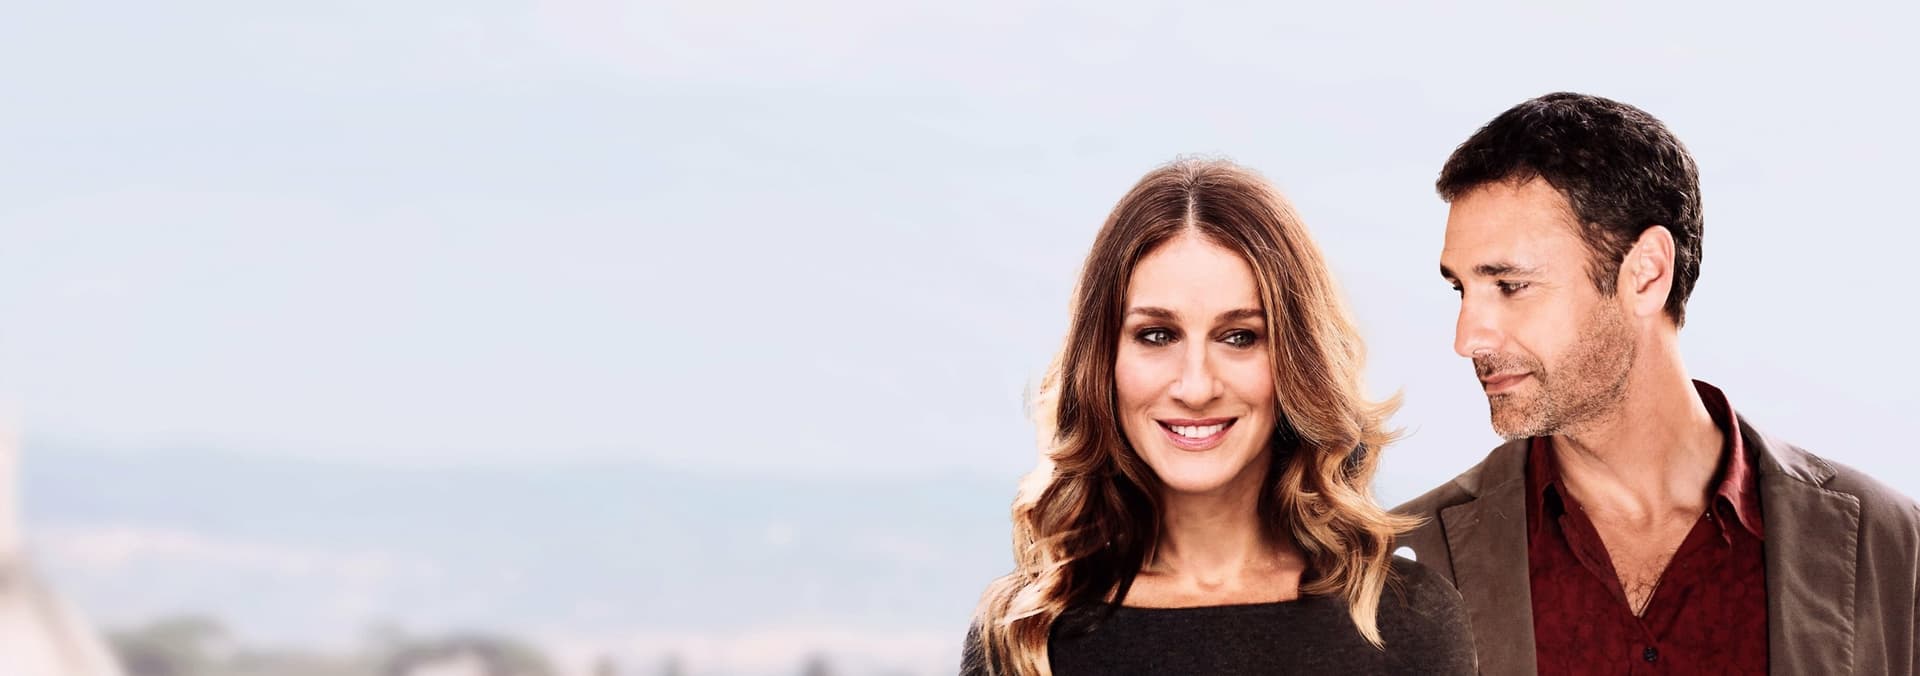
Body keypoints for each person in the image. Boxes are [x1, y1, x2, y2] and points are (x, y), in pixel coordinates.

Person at [1396, 92, 1920, 675]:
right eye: (1460, 289)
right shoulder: (1399, 568)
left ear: (1646, 273)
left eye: (1510, 286)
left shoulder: (1891, 547)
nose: (1467, 338)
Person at [963, 158, 1475, 675]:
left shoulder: (1409, 621)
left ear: (1297, 362)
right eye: (1156, 335)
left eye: (1239, 337)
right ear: (1103, 362)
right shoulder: (1024, 633)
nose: (1196, 387)